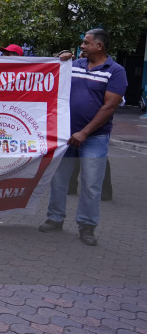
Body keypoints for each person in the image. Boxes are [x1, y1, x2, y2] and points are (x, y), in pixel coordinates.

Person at [38, 28, 127, 246]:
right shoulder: (75, 66)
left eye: (86, 43)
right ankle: (55, 218)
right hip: (65, 136)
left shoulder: (115, 71)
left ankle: (87, 226)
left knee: (91, 184)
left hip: (94, 138)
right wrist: (60, 60)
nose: (82, 46)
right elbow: (50, 79)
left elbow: (110, 107)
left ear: (100, 46)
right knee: (59, 180)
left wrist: (84, 132)